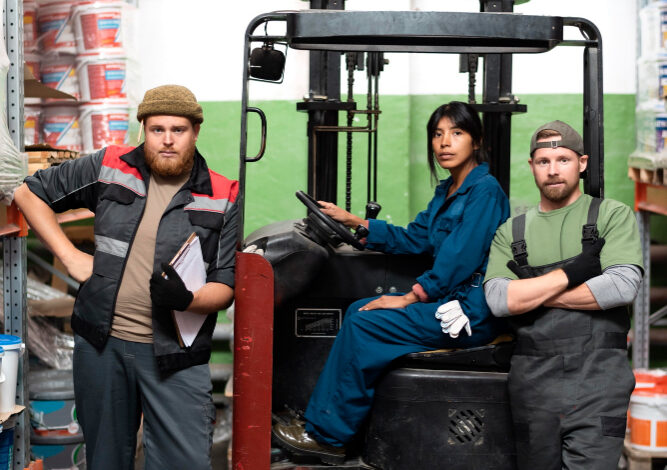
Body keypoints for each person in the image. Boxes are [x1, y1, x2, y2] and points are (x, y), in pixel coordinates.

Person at [272, 101, 511, 465]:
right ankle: (328, 424)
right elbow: (417, 238)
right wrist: (356, 222)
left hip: (466, 312)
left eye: (457, 133)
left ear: (476, 141)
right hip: (446, 301)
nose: (445, 143)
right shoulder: (447, 191)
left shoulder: (484, 192)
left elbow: (458, 261)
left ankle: (329, 437)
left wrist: (408, 298)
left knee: (367, 323)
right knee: (357, 311)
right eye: (438, 134)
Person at [14, 85, 238, 470]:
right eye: (157, 129)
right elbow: (27, 192)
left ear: (195, 132)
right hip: (103, 347)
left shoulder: (223, 194)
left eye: (179, 130)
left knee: (183, 463)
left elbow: (225, 286)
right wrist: (70, 256)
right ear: (143, 130)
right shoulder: (110, 166)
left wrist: (188, 300)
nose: (167, 140)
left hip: (176, 356)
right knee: (105, 461)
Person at [483, 120, 643, 470]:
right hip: (533, 387)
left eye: (563, 160)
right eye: (543, 161)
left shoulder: (610, 215)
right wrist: (572, 275)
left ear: (581, 163)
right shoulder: (511, 232)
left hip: (598, 383)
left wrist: (534, 291)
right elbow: (498, 300)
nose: (553, 170)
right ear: (531, 166)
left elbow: (621, 285)